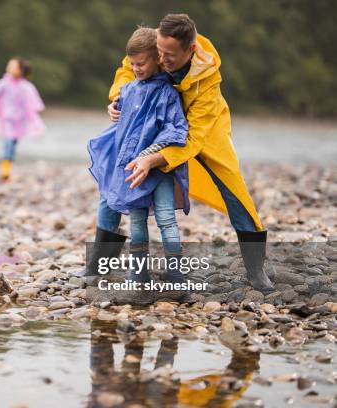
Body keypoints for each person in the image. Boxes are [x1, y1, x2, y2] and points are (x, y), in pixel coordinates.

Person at [106, 14, 274, 293]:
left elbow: (193, 138)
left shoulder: (208, 80)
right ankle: (99, 260)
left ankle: (256, 270)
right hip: (155, 119)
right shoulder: (158, 46)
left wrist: (155, 158)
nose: (161, 59)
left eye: (169, 55)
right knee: (114, 176)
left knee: (235, 191)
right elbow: (127, 67)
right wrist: (117, 98)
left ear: (190, 50)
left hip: (203, 127)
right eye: (159, 52)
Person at [86, 27, 189, 286]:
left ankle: (176, 273)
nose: (136, 68)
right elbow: (120, 111)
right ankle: (138, 272)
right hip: (131, 169)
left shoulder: (167, 93)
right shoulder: (129, 89)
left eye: (141, 64)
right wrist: (113, 106)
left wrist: (150, 153)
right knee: (137, 221)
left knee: (166, 218)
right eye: (132, 64)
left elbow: (176, 129)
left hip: (159, 168)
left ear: (158, 59)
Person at [0, 57, 45, 181]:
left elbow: (33, 97)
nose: (9, 68)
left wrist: (36, 107)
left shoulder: (25, 85)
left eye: (12, 66)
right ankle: (5, 170)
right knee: (8, 142)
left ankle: (8, 164)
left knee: (13, 143)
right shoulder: (5, 82)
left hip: (20, 120)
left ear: (20, 70)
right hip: (7, 118)